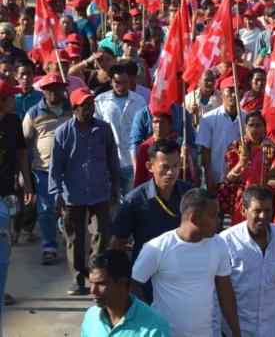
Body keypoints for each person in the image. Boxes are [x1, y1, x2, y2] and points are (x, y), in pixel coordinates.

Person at [131, 188, 242, 337]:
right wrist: (151, 321)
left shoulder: (219, 245)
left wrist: (236, 332)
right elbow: (133, 286)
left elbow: (225, 292)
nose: (219, 220)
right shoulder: (157, 248)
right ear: (195, 219)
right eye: (214, 215)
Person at [50, 87, 120, 295]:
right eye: (85, 106)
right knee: (74, 238)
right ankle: (78, 279)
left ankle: (94, 273)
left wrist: (114, 185)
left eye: (92, 104)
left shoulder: (104, 130)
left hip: (100, 192)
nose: (90, 109)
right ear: (75, 108)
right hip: (72, 194)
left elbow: (112, 160)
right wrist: (57, 194)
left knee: (101, 233)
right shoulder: (63, 133)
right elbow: (56, 166)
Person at [110, 139, 193, 274]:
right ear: (150, 166)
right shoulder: (134, 201)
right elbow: (118, 242)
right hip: (147, 276)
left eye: (175, 166)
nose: (171, 172)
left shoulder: (190, 195)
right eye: (165, 167)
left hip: (182, 272)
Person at [220, 185, 275, 337]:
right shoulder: (226, 241)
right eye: (257, 211)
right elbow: (218, 293)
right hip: (239, 331)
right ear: (244, 211)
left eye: (267, 210)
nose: (263, 216)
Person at [22, 72, 71, 266]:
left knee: (70, 209)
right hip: (43, 170)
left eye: (56, 88)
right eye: (48, 89)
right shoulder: (34, 112)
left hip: (69, 169)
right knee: (44, 210)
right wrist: (22, 173)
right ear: (43, 90)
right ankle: (49, 247)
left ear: (63, 89)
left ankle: (70, 241)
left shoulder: (72, 109)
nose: (52, 92)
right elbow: (23, 144)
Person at [81, 250, 171, 336]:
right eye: (91, 283)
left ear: (122, 283)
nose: (92, 290)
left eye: (101, 284)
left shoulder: (155, 326)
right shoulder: (91, 316)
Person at [94, 64, 147, 194]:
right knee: (112, 205)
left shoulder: (140, 101)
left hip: (132, 162)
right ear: (111, 82)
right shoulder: (100, 101)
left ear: (130, 81)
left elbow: (145, 129)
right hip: (109, 163)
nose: (121, 86)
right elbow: (96, 130)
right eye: (117, 83)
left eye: (125, 82)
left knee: (131, 200)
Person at [196, 76, 242, 194]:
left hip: (241, 178)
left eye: (237, 90)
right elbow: (205, 150)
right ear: (221, 94)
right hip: (217, 177)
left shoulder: (247, 119)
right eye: (230, 90)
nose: (233, 95)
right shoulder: (208, 119)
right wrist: (209, 178)